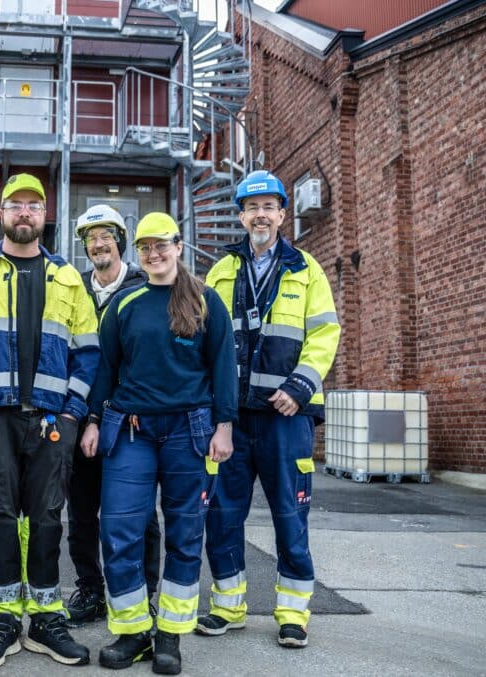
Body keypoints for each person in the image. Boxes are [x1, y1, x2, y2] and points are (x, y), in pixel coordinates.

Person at [0, 173, 100, 669]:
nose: (24, 212)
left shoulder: (67, 277)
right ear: (2, 213)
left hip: (52, 420)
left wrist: (72, 413)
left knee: (48, 517)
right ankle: (3, 620)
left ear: (44, 215)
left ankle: (47, 619)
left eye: (33, 205)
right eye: (15, 205)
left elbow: (88, 352)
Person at [79, 212, 237, 674]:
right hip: (131, 430)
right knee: (119, 530)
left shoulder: (206, 300)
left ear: (178, 246)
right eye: (145, 247)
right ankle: (132, 632)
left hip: (190, 431)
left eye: (162, 244)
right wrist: (93, 420)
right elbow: (106, 368)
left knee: (185, 533)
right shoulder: (125, 304)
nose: (154, 253)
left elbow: (224, 366)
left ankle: (169, 634)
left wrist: (224, 426)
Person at [199, 170, 340, 649]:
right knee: (221, 515)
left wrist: (300, 387)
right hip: (232, 419)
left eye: (268, 207)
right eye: (251, 207)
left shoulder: (307, 269)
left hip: (287, 417)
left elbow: (325, 333)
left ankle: (294, 614)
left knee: (289, 516)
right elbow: (206, 341)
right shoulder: (220, 271)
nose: (260, 215)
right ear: (241, 216)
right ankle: (227, 606)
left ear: (282, 214)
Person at [64, 205, 162, 627]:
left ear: (120, 241)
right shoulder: (72, 288)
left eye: (106, 236)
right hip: (80, 416)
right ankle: (90, 590)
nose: (98, 244)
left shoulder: (146, 287)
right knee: (81, 513)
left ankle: (143, 593)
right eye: (91, 238)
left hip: (131, 422)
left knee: (139, 515)